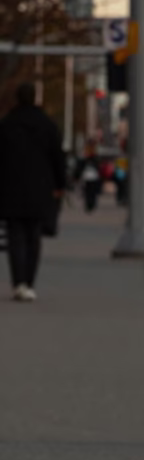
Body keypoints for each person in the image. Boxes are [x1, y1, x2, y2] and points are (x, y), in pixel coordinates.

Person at [0, 82, 65, 302]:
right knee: (34, 236)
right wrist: (60, 185)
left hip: (11, 188)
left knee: (15, 236)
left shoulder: (7, 124)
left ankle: (18, 281)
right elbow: (58, 157)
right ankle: (29, 281)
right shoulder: (47, 125)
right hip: (40, 189)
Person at [75, 142, 102, 212]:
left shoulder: (92, 158)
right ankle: (89, 204)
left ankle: (90, 204)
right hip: (88, 177)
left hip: (91, 177)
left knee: (90, 192)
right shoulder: (87, 158)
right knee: (89, 192)